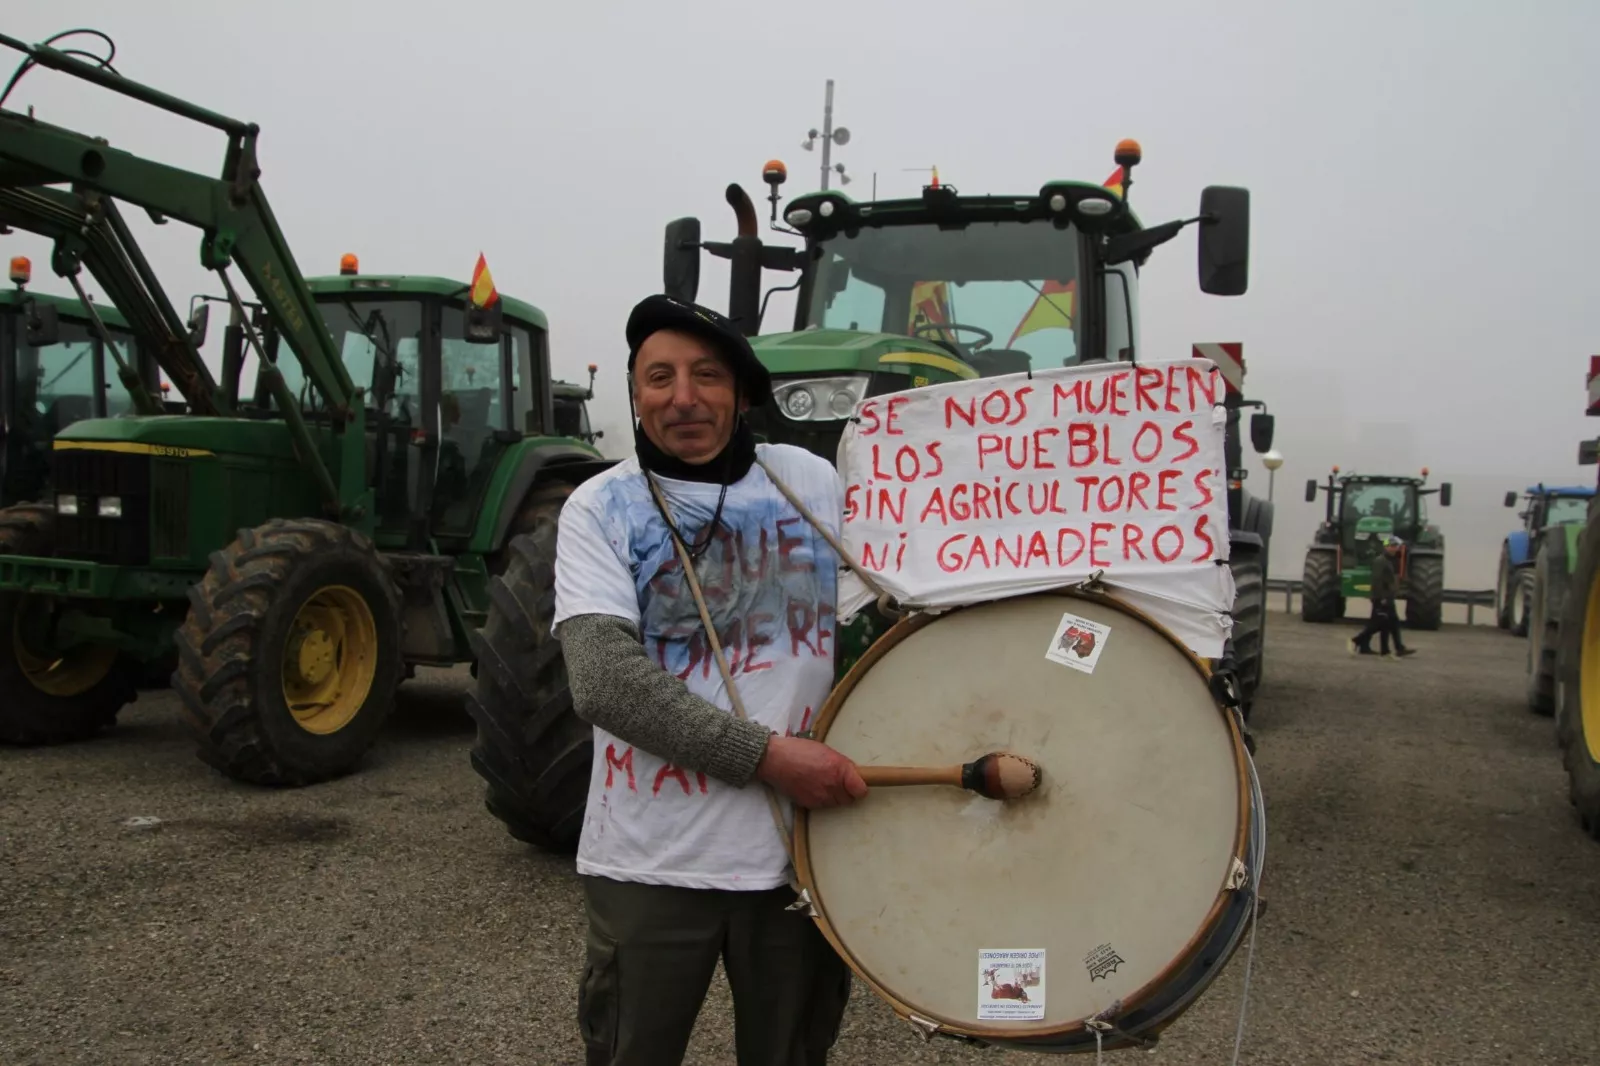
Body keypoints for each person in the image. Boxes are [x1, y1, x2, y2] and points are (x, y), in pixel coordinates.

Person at [552, 293, 865, 1066]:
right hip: (651, 862)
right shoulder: (600, 508)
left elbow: (901, 607)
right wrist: (770, 758)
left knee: (793, 1052)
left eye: (707, 376)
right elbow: (604, 682)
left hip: (802, 853)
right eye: (658, 378)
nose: (682, 397)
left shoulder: (813, 483)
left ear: (744, 392)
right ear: (635, 393)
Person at [1348, 534, 1416, 658]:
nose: (1394, 548)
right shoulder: (1380, 561)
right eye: (1392, 546)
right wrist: (1380, 598)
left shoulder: (1388, 561)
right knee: (1379, 624)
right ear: (1386, 547)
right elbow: (1376, 580)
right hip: (1382, 598)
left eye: (1396, 546)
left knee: (1391, 622)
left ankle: (1389, 649)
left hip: (1387, 596)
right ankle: (1358, 640)